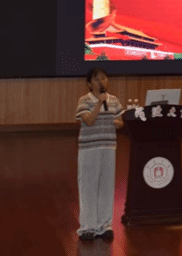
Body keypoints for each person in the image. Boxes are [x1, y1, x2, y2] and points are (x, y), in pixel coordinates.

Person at [75, 67, 124, 240]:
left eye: (104, 78)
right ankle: (87, 227)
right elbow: (88, 120)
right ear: (89, 84)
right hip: (89, 148)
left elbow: (121, 121)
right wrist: (98, 104)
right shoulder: (84, 100)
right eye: (97, 79)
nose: (101, 82)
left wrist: (118, 123)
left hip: (108, 146)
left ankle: (104, 225)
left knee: (106, 186)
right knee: (88, 186)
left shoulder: (114, 100)